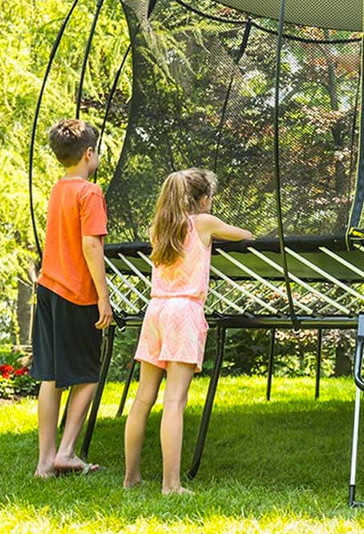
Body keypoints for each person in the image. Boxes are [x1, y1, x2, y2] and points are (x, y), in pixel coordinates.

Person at [123, 169, 253, 495]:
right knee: (174, 401)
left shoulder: (160, 228)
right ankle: (171, 484)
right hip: (183, 312)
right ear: (204, 200)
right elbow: (244, 234)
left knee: (142, 399)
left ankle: (131, 478)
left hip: (156, 311)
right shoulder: (203, 223)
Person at [31, 118, 113, 478]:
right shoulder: (89, 192)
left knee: (50, 376)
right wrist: (103, 297)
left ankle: (44, 463)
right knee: (88, 374)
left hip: (47, 288)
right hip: (75, 294)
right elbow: (91, 246)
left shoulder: (57, 189)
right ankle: (66, 452)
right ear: (89, 154)